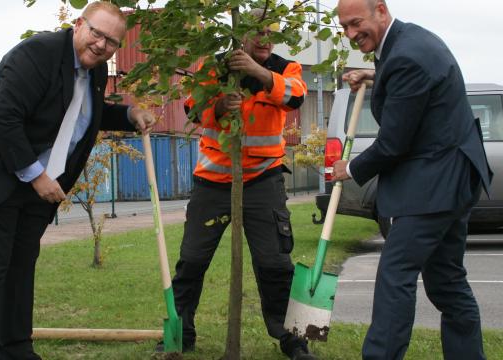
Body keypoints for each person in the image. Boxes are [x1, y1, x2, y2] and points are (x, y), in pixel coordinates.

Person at [0, 2, 155, 359]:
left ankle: (17, 347)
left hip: (36, 179)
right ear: (79, 24)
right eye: (96, 33)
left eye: (112, 42)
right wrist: (37, 176)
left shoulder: (94, 71)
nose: (102, 45)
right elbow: (5, 119)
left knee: (22, 263)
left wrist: (129, 112)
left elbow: (85, 111)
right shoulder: (38, 53)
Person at [333, 0, 493, 359]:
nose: (350, 34)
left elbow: (392, 143)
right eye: (344, 27)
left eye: (355, 23)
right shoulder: (409, 42)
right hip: (453, 178)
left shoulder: (407, 55)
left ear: (381, 10)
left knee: (395, 274)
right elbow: (415, 79)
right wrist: (372, 75)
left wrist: (352, 168)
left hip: (433, 184)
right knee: (447, 281)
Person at [158, 8, 315, 360]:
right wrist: (219, 105)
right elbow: (193, 109)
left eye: (270, 31)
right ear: (240, 32)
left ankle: (291, 338)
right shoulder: (215, 67)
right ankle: (180, 335)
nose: (265, 38)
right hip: (213, 181)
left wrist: (257, 71)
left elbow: (296, 96)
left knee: (275, 263)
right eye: (256, 31)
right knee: (192, 261)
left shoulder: (284, 66)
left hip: (263, 179)